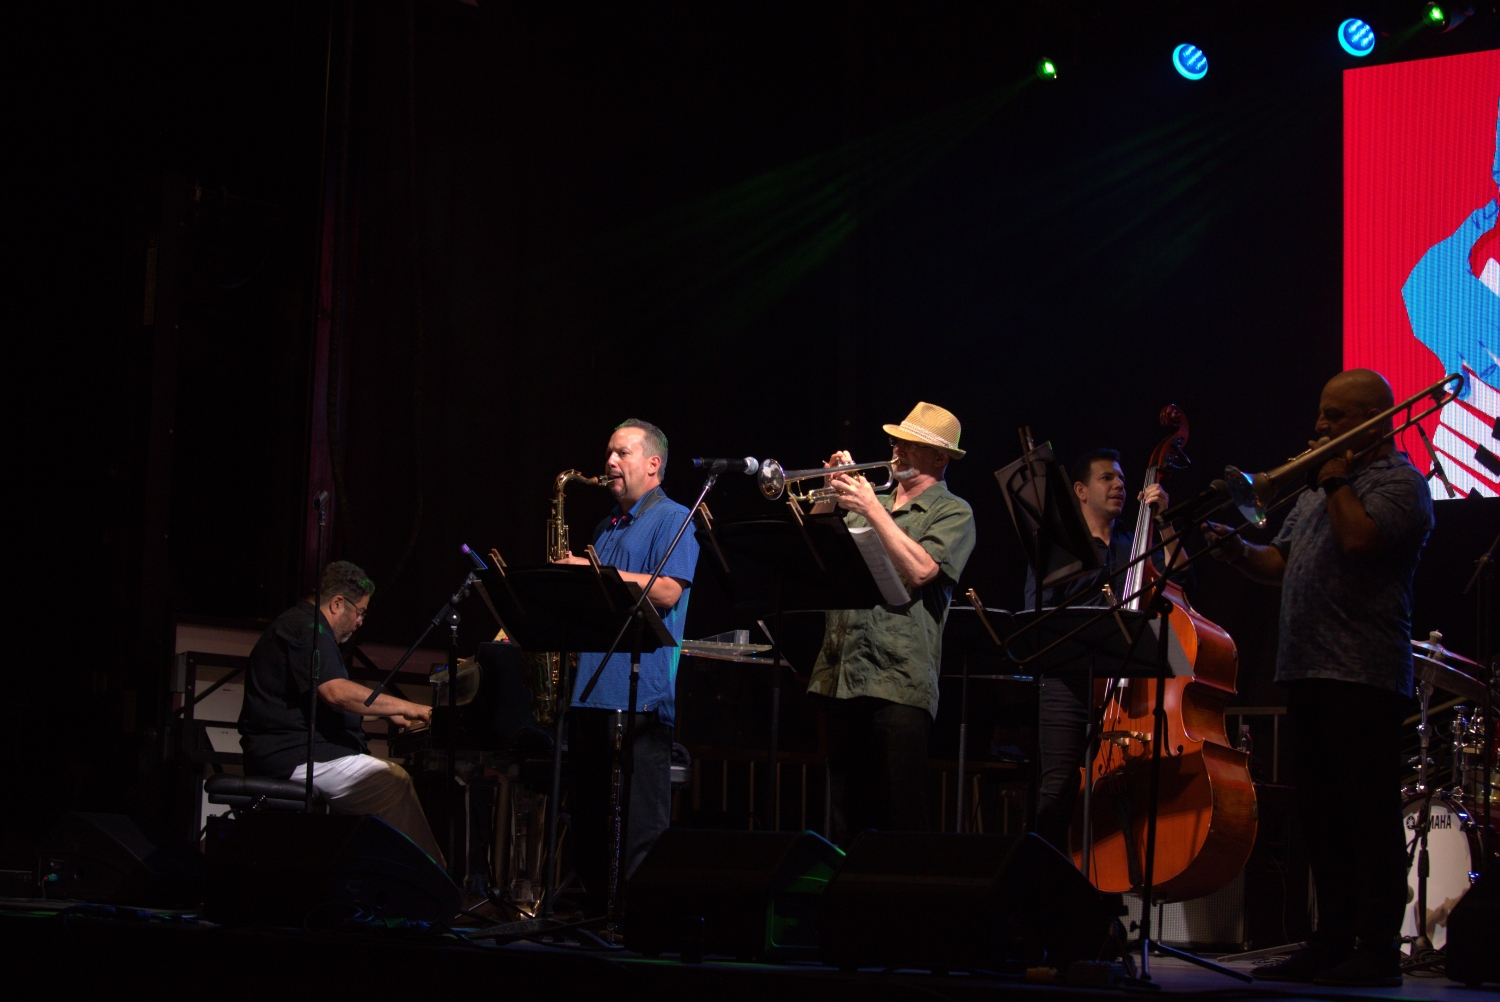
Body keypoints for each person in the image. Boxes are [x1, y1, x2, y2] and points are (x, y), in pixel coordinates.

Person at [1207, 369, 1433, 987]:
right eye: (1321, 414)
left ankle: (1378, 950)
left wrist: (1334, 479)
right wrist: (1236, 551)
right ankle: (1330, 941)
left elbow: (1361, 541)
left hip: (1363, 675)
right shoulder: (1315, 491)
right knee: (1321, 817)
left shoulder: (1401, 484)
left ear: (1375, 420)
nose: (1319, 426)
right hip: (1305, 670)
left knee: (1368, 817)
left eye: (1334, 416)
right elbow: (1279, 563)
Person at [806, 402, 976, 840]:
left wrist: (871, 509)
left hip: (899, 681)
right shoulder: (872, 499)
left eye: (911, 444)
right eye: (896, 440)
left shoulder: (953, 512)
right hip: (842, 674)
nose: (897, 449)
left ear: (940, 458)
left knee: (902, 820)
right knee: (843, 820)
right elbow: (814, 550)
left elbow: (921, 571)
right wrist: (828, 491)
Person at [557, 419, 699, 915]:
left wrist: (594, 573)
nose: (610, 463)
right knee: (591, 822)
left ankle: (641, 926)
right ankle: (598, 918)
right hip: (590, 692)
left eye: (622, 454)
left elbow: (667, 591)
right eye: (608, 454)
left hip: (641, 696)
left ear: (653, 464)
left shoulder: (675, 518)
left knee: (640, 827)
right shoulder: (606, 526)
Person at [238, 560, 443, 864]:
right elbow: (336, 693)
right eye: (360, 612)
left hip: (296, 751)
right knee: (393, 781)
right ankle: (429, 882)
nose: (360, 622)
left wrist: (385, 713)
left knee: (385, 782)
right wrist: (412, 707)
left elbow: (320, 703)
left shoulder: (302, 625)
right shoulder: (306, 629)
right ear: (337, 604)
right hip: (291, 755)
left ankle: (377, 878)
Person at [1024, 449, 1178, 855]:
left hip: (1128, 689)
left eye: (1123, 481)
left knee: (1136, 787)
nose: (1119, 486)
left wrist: (1163, 522)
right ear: (1080, 490)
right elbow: (1032, 613)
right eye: (1107, 478)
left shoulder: (1136, 544)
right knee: (1058, 790)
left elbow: (1181, 580)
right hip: (1068, 683)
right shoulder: (1060, 546)